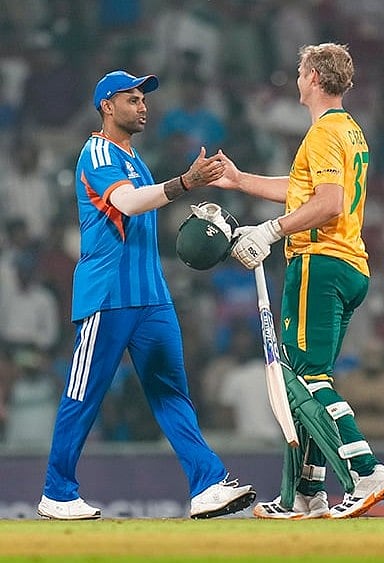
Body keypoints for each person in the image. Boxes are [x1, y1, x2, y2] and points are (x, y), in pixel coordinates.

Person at [38, 70, 256, 520]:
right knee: (84, 395)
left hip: (152, 296)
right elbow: (127, 204)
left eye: (144, 99)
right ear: (106, 106)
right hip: (108, 294)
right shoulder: (96, 152)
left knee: (172, 392)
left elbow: (145, 204)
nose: (143, 106)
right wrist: (185, 183)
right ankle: (56, 493)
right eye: (132, 99)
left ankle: (207, 485)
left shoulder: (136, 159)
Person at [214, 43, 384, 519]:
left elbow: (328, 203)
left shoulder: (321, 135)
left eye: (300, 72)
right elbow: (303, 191)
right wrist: (239, 180)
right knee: (311, 378)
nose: (297, 80)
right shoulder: (349, 131)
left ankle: (365, 471)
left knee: (303, 379)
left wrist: (270, 231)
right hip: (351, 265)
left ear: (314, 77)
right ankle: (304, 492)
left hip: (318, 263)